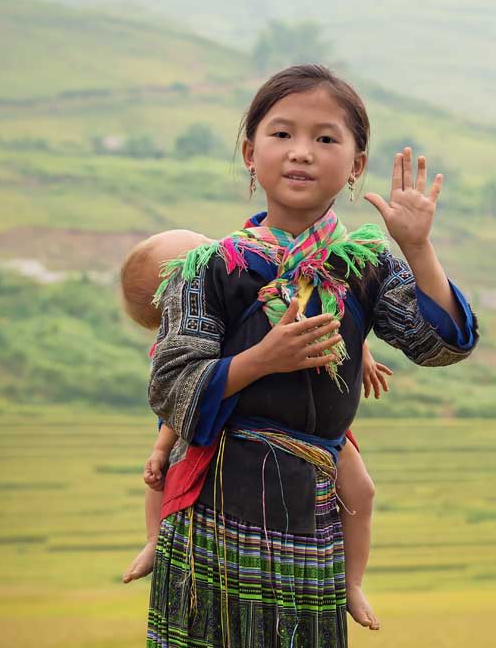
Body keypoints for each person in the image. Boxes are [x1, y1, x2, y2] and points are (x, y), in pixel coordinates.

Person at [146, 64, 477, 647]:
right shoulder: (209, 269)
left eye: (325, 138)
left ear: (355, 166)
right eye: (282, 134)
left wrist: (418, 248)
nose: (301, 152)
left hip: (313, 507)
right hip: (219, 501)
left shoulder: (367, 265)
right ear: (251, 152)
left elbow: (438, 346)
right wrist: (261, 359)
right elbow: (172, 386)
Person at [116, 229, 391, 630]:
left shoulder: (260, 282)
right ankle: (153, 540)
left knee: (362, 490)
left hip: (313, 429)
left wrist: (362, 354)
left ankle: (351, 583)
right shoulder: (191, 328)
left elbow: (330, 313)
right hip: (228, 417)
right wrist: (160, 449)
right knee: (165, 473)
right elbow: (177, 401)